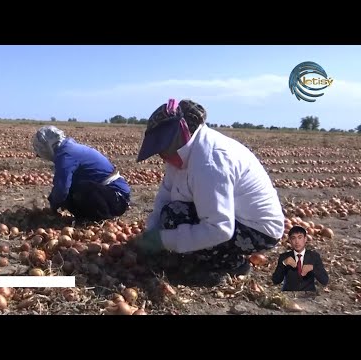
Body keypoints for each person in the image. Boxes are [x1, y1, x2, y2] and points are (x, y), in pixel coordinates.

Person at [132, 98, 285, 281]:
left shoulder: (210, 161)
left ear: (180, 136)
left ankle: (231, 264)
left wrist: (162, 240)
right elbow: (166, 194)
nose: (161, 156)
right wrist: (152, 231)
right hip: (231, 216)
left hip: (257, 231)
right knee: (171, 213)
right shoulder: (180, 152)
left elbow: (219, 229)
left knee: (176, 223)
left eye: (163, 148)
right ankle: (203, 254)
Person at [32, 125, 131, 222]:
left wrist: (53, 205)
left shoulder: (65, 154)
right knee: (72, 190)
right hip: (112, 195)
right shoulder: (68, 148)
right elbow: (61, 184)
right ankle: (91, 216)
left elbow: (62, 188)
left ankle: (100, 217)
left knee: (79, 189)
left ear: (47, 146)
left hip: (117, 198)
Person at [272, 225, 329, 291]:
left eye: (300, 238)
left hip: (308, 296)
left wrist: (313, 268)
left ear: (305, 239)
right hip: (288, 296)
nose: (297, 242)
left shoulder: (314, 256)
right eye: (293, 238)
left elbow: (325, 281)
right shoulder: (284, 257)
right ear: (290, 240)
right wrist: (284, 263)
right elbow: (276, 281)